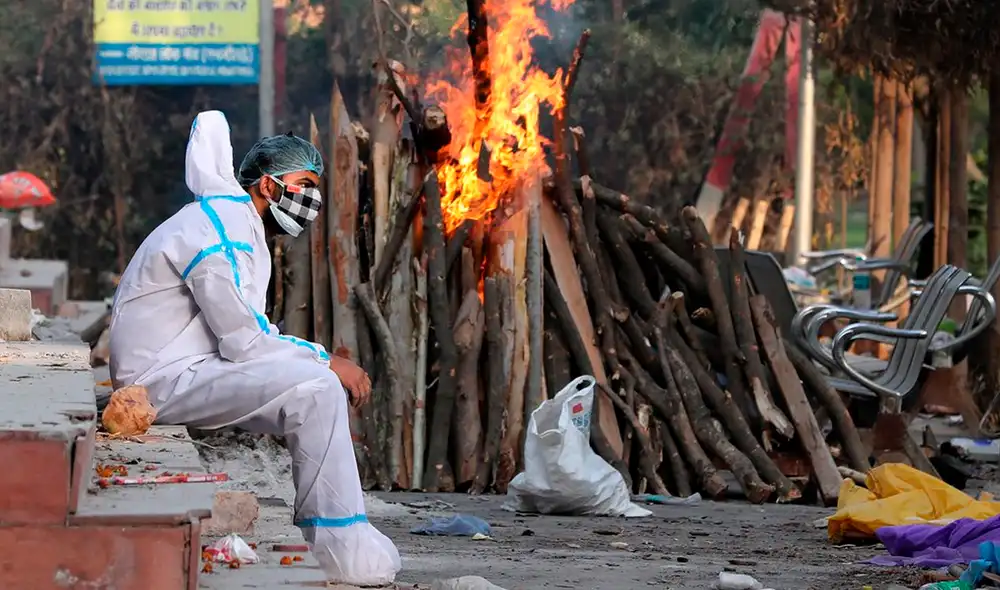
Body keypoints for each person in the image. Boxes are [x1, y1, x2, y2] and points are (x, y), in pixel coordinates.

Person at [108, 111, 401, 586]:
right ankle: (341, 549)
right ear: (268, 185)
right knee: (319, 388)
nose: (313, 199)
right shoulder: (220, 228)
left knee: (312, 390)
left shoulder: (229, 221)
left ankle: (338, 542)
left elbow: (244, 334)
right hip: (157, 385)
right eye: (305, 185)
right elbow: (244, 339)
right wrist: (327, 359)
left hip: (179, 372)